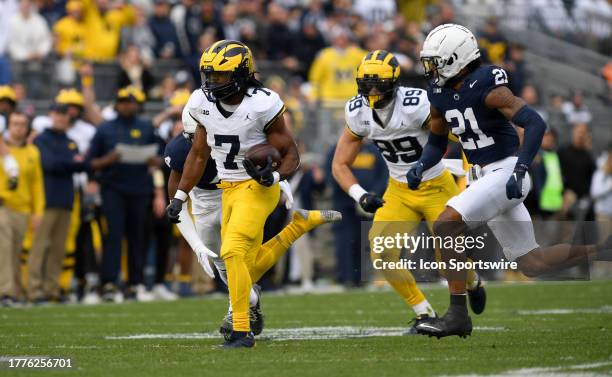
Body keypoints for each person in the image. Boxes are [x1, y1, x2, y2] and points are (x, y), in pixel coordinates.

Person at [408, 24, 611, 338]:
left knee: (446, 224)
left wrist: (520, 169)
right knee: (533, 263)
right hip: (482, 177)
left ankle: (457, 315)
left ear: (456, 58)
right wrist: (421, 164)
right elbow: (437, 141)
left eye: (435, 61)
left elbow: (534, 122)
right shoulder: (440, 93)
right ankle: (601, 249)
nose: (430, 69)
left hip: (505, 172)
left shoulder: (486, 84)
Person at [166, 40, 341, 348]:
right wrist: (180, 197)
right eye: (208, 76)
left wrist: (274, 176)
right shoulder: (200, 103)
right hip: (227, 187)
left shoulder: (262, 103)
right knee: (237, 261)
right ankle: (295, 228)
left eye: (219, 76)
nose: (212, 83)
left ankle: (241, 330)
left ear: (241, 74)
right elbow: (197, 154)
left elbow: (291, 154)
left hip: (257, 188)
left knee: (231, 251)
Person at [331, 50, 486, 333]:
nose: (372, 91)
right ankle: (423, 312)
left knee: (447, 259)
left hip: (436, 185)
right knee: (381, 253)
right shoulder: (357, 111)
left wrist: (470, 177)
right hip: (398, 190)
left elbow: (462, 135)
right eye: (366, 84)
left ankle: (473, 281)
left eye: (378, 84)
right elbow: (340, 163)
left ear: (394, 83)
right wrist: (360, 195)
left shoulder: (416, 105)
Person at [86, 86, 161, 302]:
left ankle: (134, 283)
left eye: (129, 101)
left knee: (138, 237)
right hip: (113, 189)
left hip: (140, 189)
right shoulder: (105, 129)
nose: (126, 105)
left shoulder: (146, 127)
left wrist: (154, 161)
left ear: (136, 104)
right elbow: (91, 162)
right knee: (113, 236)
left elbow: (163, 156)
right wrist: (108, 160)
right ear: (117, 104)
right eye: (122, 101)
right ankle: (108, 283)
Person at [29, 104, 89, 303]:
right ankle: (34, 289)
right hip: (46, 200)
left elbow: (82, 165)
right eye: (58, 114)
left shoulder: (70, 141)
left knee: (58, 249)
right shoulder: (41, 139)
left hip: (66, 200)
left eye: (64, 115)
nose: (61, 118)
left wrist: (71, 163)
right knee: (40, 247)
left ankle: (52, 289)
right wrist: (72, 163)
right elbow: (49, 164)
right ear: (51, 115)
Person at [0, 112, 44, 306]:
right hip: (3, 206)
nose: (18, 128)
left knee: (17, 253)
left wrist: (38, 211)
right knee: (4, 249)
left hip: (23, 210)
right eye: (15, 124)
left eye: (22, 124)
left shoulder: (33, 152)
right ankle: (6, 292)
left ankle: (16, 292)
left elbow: (37, 185)